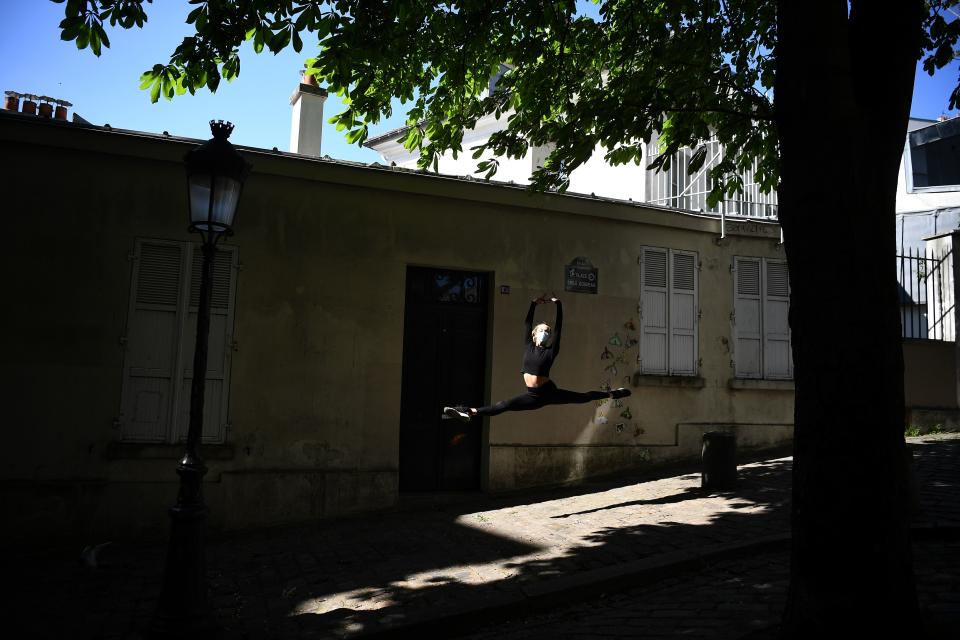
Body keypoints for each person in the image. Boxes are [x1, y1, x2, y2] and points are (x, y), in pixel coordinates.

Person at [443, 295, 630, 421]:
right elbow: (526, 323)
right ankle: (467, 412)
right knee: (504, 405)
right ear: (533, 334)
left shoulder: (550, 351)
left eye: (547, 332)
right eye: (541, 330)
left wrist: (559, 305)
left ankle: (613, 393)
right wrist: (533, 303)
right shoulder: (528, 345)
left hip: (548, 392)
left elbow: (559, 328)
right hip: (532, 396)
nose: (545, 333)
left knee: (585, 397)